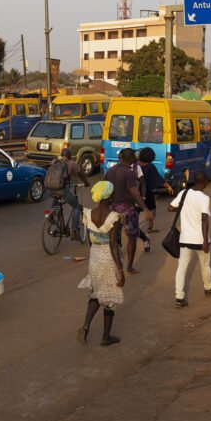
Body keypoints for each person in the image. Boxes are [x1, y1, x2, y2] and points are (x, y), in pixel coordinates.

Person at [77, 181, 124, 347]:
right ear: (108, 197)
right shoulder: (114, 217)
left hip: (95, 256)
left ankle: (85, 325)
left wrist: (93, 254)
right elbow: (113, 245)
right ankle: (105, 337)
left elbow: (90, 240)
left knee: (96, 292)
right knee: (110, 298)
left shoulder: (88, 214)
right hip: (108, 259)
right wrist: (120, 270)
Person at [168, 171, 211, 308]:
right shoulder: (204, 198)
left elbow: (170, 208)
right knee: (205, 265)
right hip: (199, 239)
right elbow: (204, 219)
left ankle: (179, 297)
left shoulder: (184, 193)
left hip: (184, 238)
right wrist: (204, 241)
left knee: (182, 266)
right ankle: (208, 288)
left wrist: (184, 210)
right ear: (205, 182)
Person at [105, 148, 154, 274]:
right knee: (131, 237)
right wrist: (145, 208)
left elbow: (105, 189)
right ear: (131, 159)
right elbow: (135, 193)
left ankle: (118, 267)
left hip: (112, 209)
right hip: (127, 209)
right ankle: (129, 267)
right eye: (134, 156)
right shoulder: (129, 172)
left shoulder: (110, 170)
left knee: (113, 239)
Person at [46, 148, 91, 240]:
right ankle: (74, 231)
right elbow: (80, 174)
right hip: (62, 189)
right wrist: (86, 183)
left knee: (56, 202)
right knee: (76, 207)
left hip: (50, 189)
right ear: (69, 156)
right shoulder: (71, 163)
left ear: (61, 155)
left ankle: (52, 214)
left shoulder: (54, 162)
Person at [137, 148, 174, 234]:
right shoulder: (150, 167)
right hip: (147, 192)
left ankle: (135, 227)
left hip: (136, 192)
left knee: (136, 210)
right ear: (151, 157)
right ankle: (150, 226)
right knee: (152, 208)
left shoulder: (135, 165)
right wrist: (168, 186)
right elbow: (158, 179)